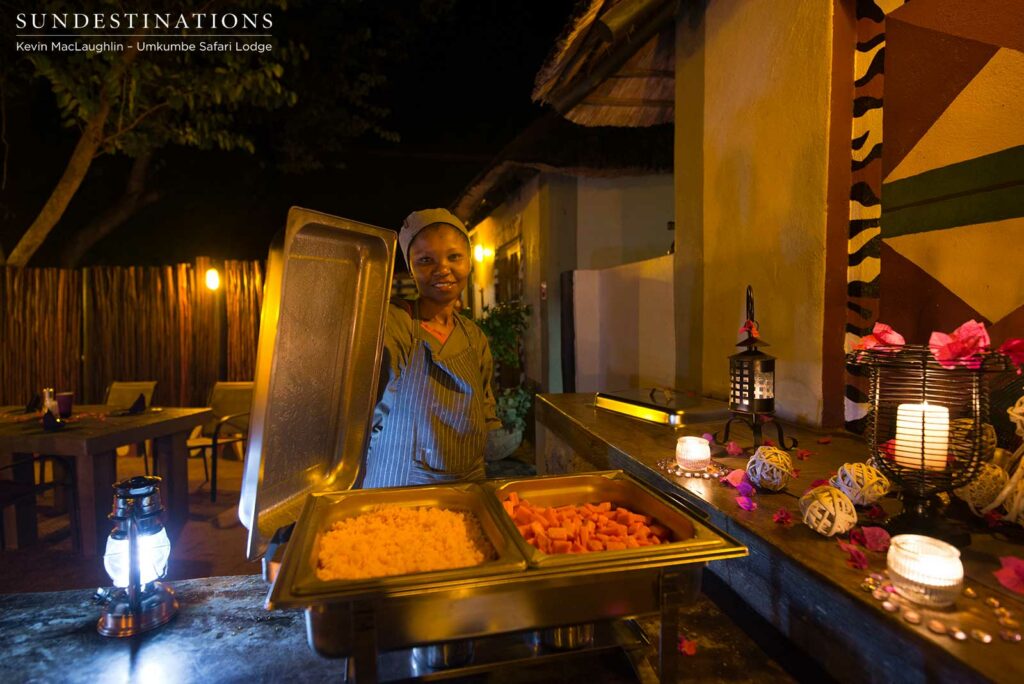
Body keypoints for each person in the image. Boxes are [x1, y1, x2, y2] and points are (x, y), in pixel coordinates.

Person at [360, 208, 502, 488]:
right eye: (426, 260)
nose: (442, 269)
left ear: (469, 262)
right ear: (410, 268)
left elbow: (486, 405)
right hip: (400, 486)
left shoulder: (474, 336)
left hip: (468, 484)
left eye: (454, 257)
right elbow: (362, 412)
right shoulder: (394, 324)